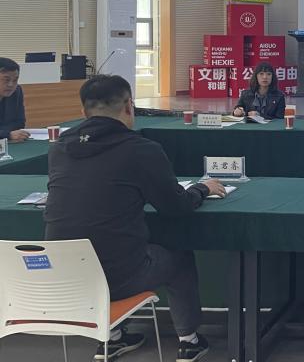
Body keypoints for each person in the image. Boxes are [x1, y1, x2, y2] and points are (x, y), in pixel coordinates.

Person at [44, 74, 225, 362]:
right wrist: (202, 189)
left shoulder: (59, 149)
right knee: (178, 256)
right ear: (130, 106)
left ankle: (114, 337)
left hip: (63, 275)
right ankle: (189, 340)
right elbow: (176, 206)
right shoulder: (140, 150)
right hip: (120, 275)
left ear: (83, 111)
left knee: (110, 246)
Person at [0, 57, 28, 142]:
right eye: (6, 80)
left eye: (15, 80)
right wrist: (7, 134)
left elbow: (20, 122)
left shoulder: (17, 92)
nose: (11, 85)